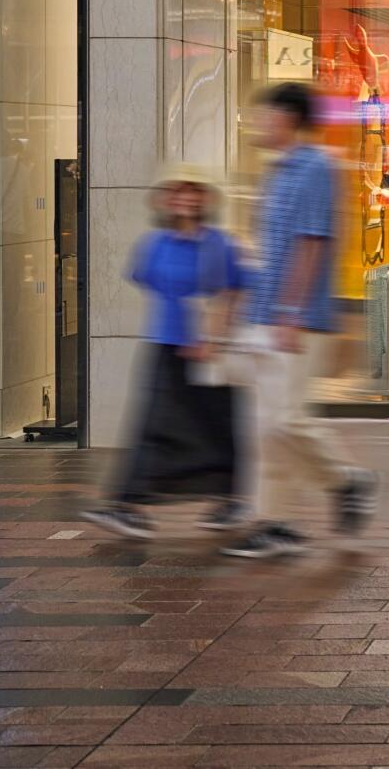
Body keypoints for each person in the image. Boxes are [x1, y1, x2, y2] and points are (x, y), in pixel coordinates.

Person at [223, 82, 379, 560]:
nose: (258, 123)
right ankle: (273, 523)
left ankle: (347, 480)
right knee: (264, 429)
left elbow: (311, 242)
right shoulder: (277, 171)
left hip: (297, 320)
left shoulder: (315, 166)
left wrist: (289, 314)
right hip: (263, 316)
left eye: (264, 115)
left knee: (285, 420)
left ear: (288, 117)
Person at [81, 166, 247, 540]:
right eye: (178, 191)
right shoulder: (155, 244)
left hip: (209, 351)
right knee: (153, 424)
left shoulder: (218, 243)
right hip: (165, 343)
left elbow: (233, 291)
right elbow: (145, 278)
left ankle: (231, 499)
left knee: (218, 426)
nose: (185, 198)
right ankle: (128, 503)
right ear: (166, 199)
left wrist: (213, 336)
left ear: (205, 198)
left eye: (193, 191)